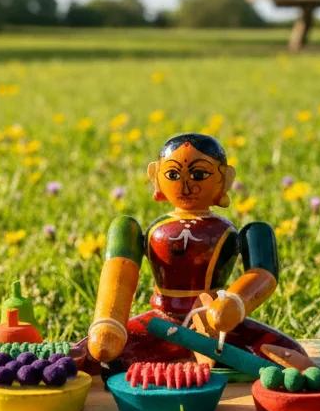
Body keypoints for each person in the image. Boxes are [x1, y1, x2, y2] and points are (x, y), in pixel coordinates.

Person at [83, 132, 303, 371]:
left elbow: (263, 273)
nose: (186, 185)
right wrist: (110, 323)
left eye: (199, 174)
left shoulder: (236, 232)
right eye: (173, 174)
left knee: (288, 356)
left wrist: (234, 303)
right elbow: (119, 271)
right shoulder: (138, 230)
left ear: (225, 179)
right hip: (161, 321)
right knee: (93, 357)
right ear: (156, 177)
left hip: (217, 326)